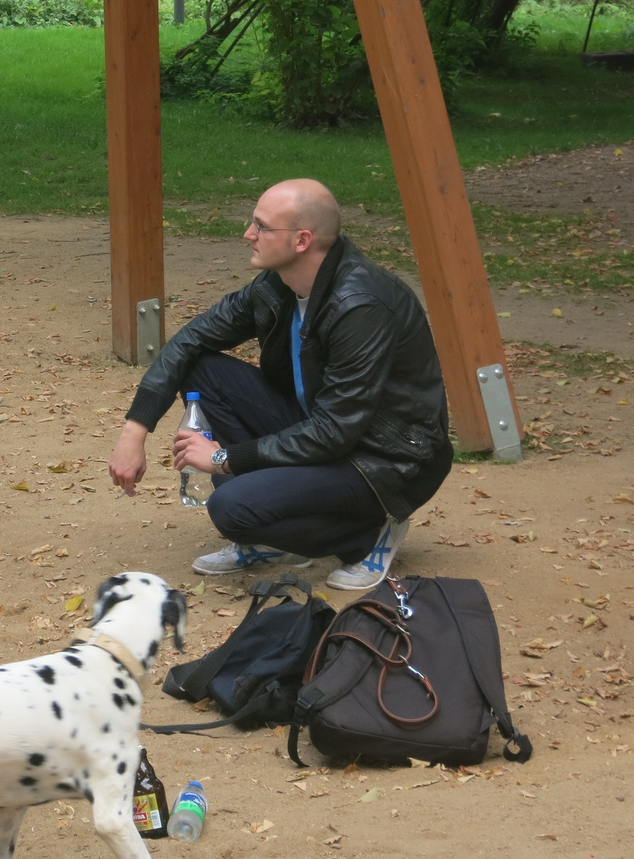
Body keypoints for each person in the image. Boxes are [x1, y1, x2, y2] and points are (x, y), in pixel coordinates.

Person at [108, 178, 452, 591]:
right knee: (201, 366)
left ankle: (369, 534)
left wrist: (222, 459)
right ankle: (272, 533)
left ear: (302, 240)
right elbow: (191, 340)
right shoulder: (278, 285)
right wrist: (135, 429)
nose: (247, 235)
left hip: (384, 458)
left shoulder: (359, 305)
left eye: (262, 226)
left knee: (231, 509)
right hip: (321, 428)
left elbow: (336, 431)